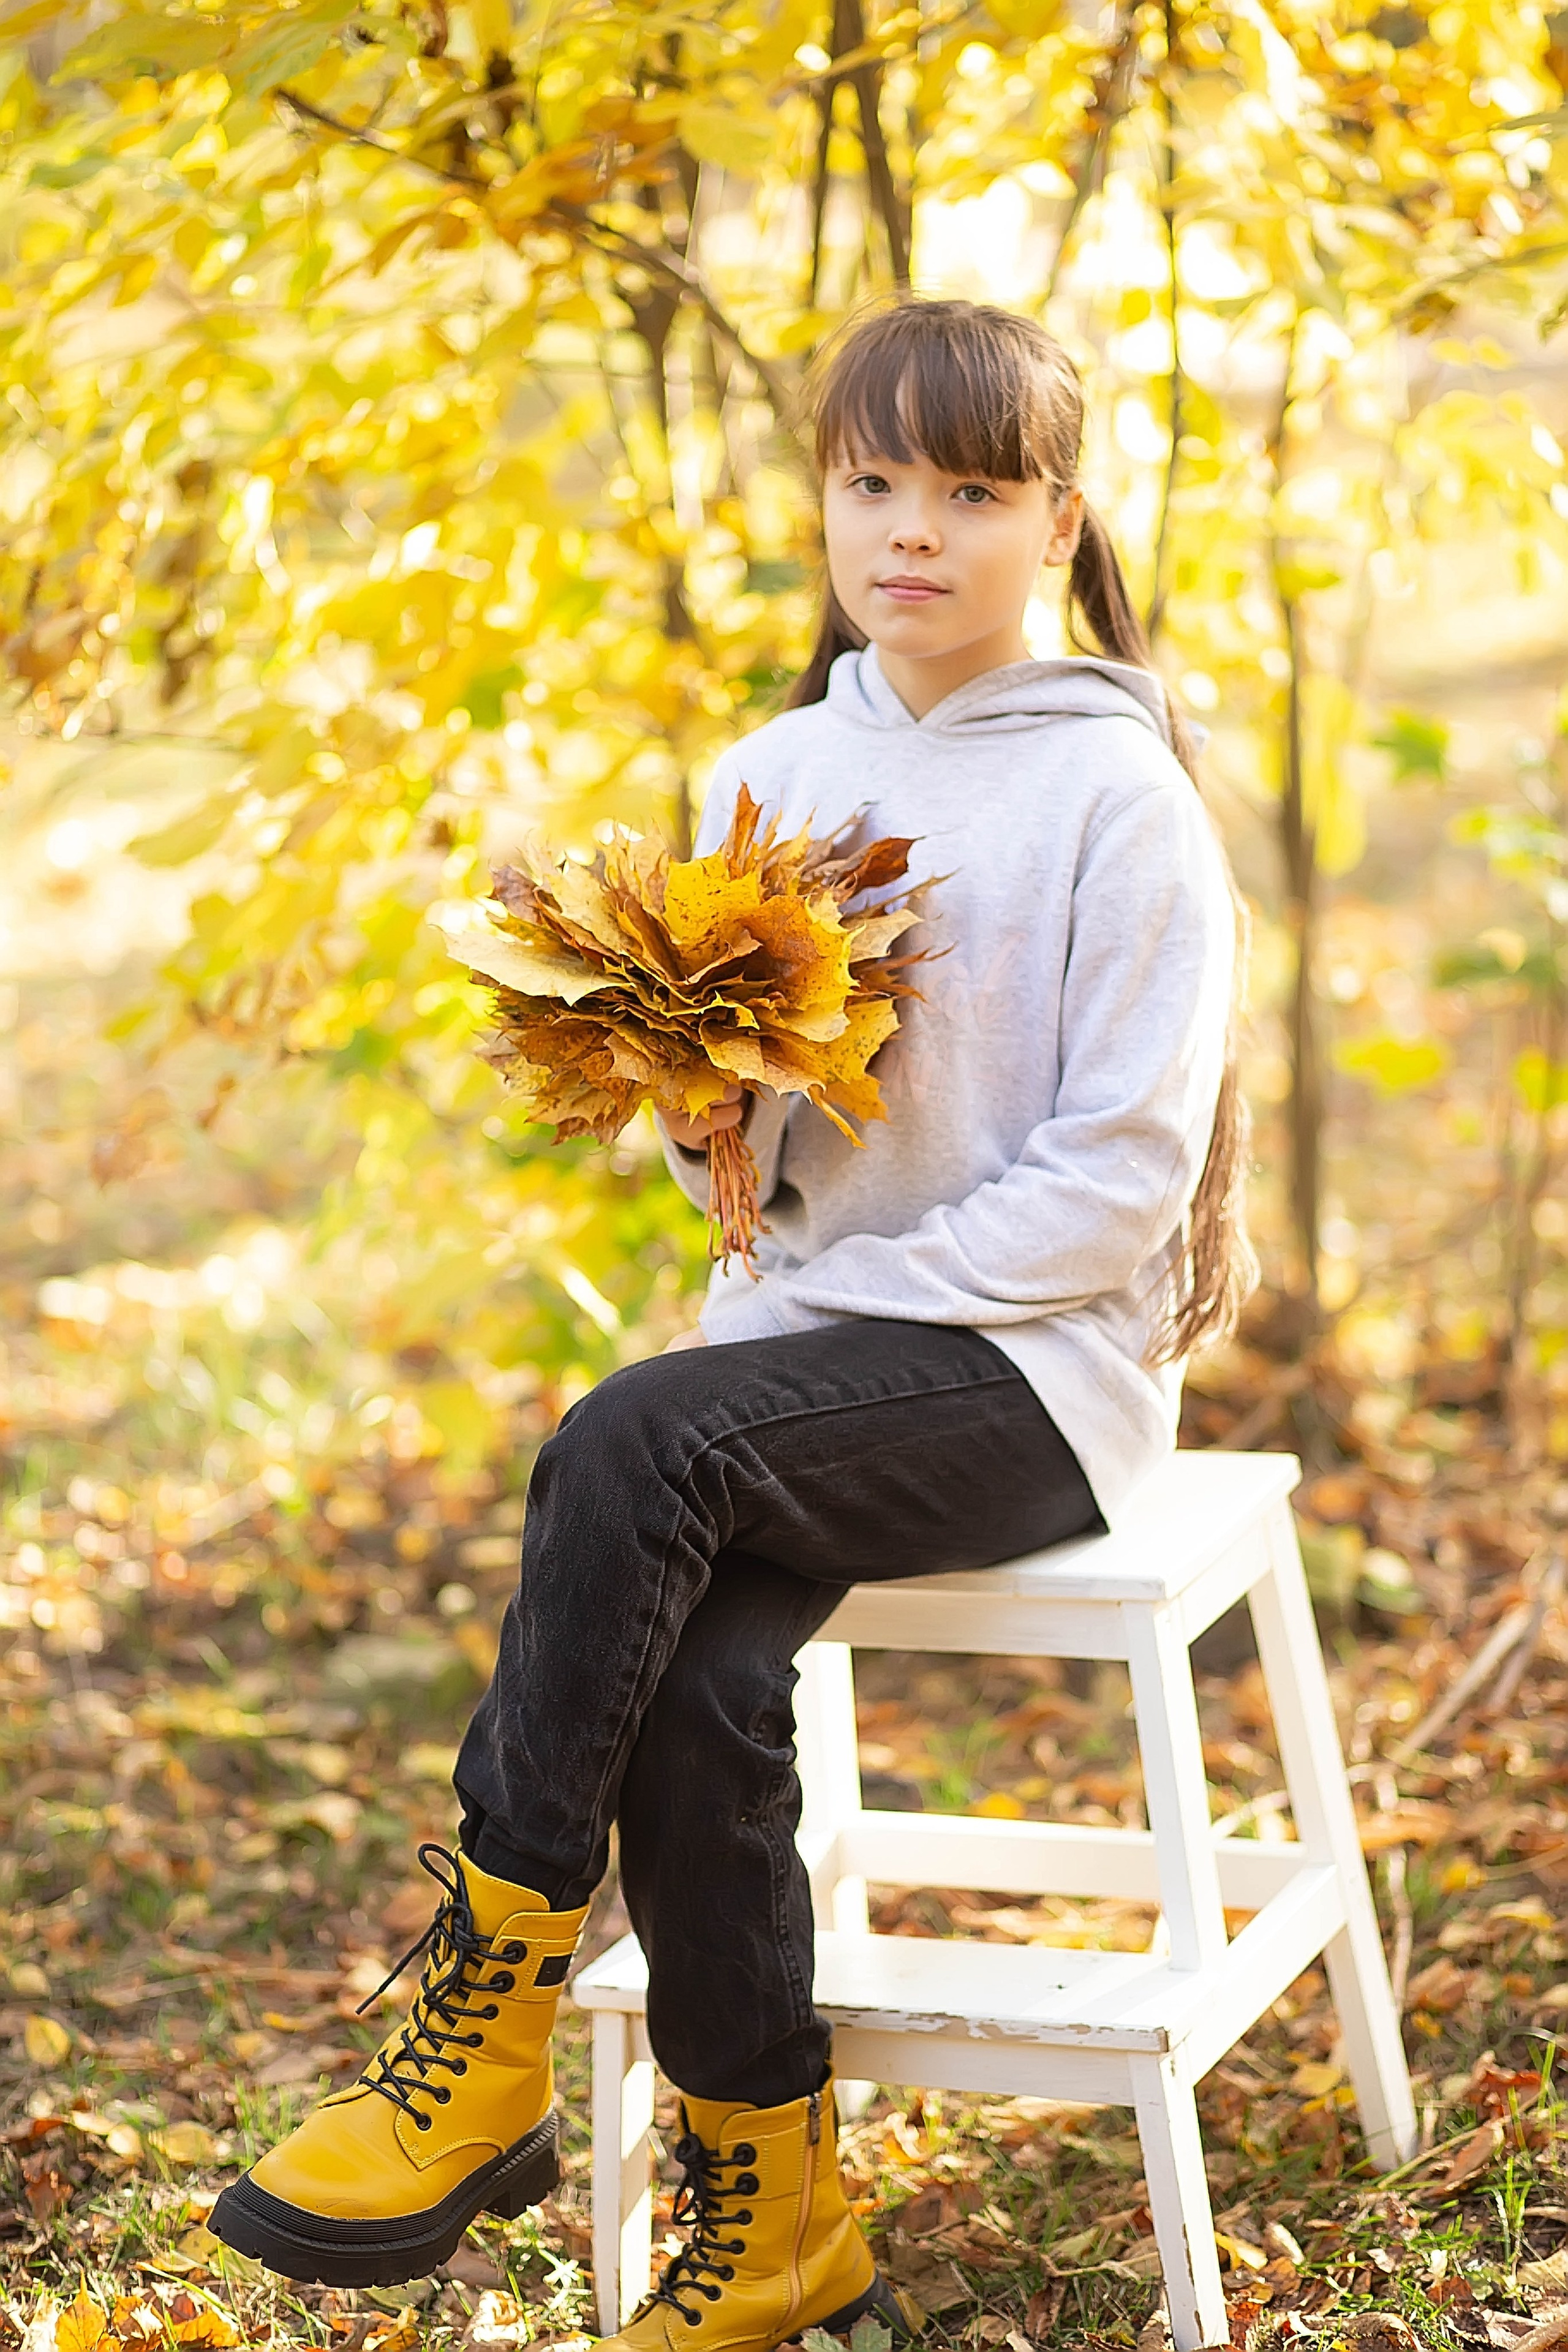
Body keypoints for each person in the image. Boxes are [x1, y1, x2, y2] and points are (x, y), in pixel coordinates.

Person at [209, 298, 1251, 2347]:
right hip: (805, 1376)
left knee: (630, 1431)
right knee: (689, 1676)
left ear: (1059, 516)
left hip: (1042, 1376)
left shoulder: (1124, 801)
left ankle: (482, 2016)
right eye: (873, 483)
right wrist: (704, 1128)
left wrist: (805, 1306)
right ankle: (775, 2207)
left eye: (970, 491)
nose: (912, 533)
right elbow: (747, 1179)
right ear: (827, 503)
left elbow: (1122, 1179)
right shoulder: (769, 766)